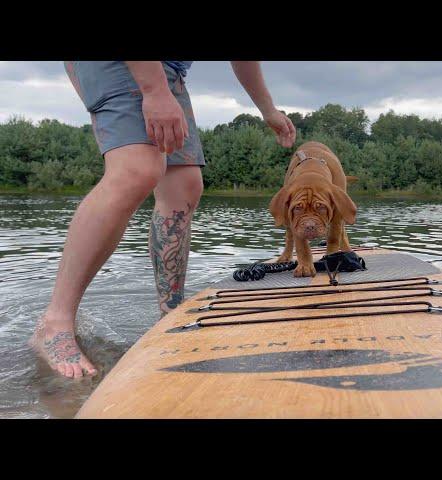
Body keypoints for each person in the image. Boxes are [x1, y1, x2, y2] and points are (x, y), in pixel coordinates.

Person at [29, 61, 296, 379]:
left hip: (170, 70)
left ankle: (169, 315)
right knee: (137, 169)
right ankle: (55, 322)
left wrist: (268, 109)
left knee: (184, 186)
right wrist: (154, 91)